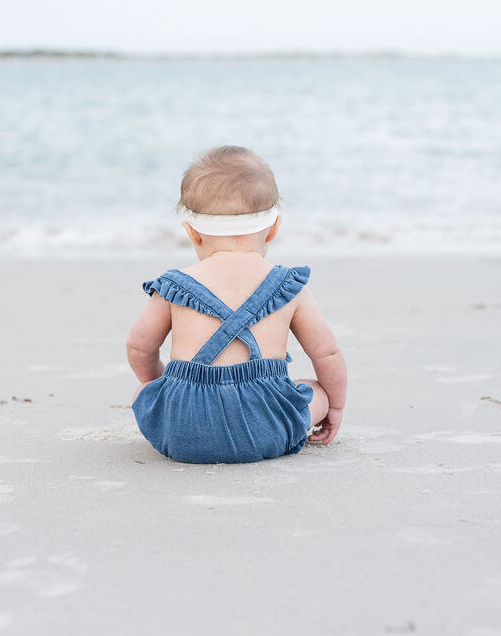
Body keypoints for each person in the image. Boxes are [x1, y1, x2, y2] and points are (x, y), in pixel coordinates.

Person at [125, 145, 348, 464]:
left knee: (142, 394)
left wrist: (157, 381)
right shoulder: (288, 287)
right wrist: (335, 406)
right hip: (266, 429)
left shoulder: (172, 287)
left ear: (191, 232)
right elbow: (327, 352)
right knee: (317, 390)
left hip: (182, 431)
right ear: (273, 228)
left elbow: (138, 346)